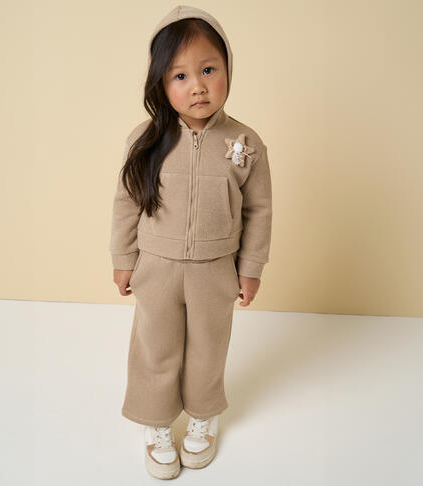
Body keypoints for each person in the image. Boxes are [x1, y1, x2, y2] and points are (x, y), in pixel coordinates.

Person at [109, 5, 272, 480]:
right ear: (160, 84)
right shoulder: (145, 141)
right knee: (155, 345)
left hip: (215, 270)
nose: (197, 86)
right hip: (156, 266)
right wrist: (123, 258)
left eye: (208, 70)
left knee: (208, 346)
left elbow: (259, 211)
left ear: (227, 70)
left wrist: (251, 268)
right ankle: (157, 422)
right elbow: (126, 203)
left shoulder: (246, 143)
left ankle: (203, 415)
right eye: (180, 76)